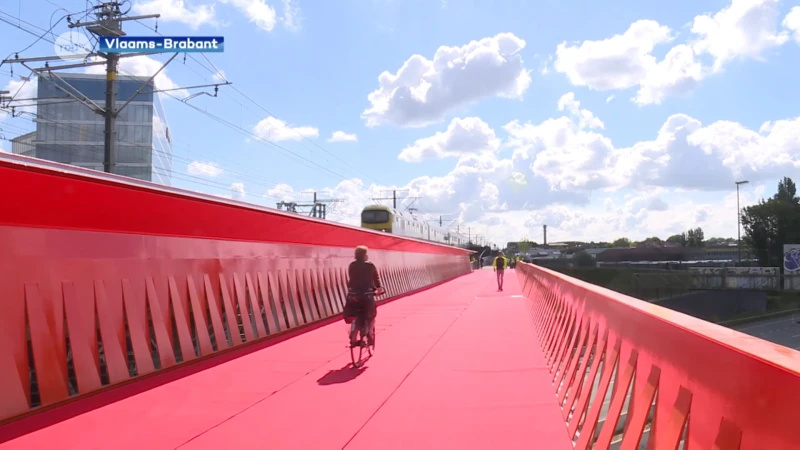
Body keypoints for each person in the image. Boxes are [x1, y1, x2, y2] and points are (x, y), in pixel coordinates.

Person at [343, 245, 384, 347]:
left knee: (353, 314)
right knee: (371, 315)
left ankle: (353, 331)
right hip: (366, 295)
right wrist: (378, 289)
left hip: (353, 295)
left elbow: (352, 279)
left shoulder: (352, 265)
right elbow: (376, 279)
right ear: (365, 255)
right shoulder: (370, 266)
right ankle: (369, 334)